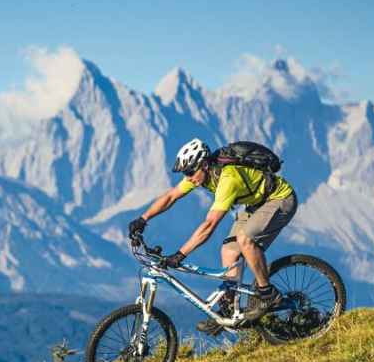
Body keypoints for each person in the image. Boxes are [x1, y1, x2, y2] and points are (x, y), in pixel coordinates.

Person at [127, 138, 298, 329]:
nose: (188, 177)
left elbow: (210, 224)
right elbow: (170, 196)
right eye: (185, 173)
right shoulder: (200, 175)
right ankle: (229, 309)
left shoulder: (228, 179)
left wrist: (180, 254)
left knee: (245, 240)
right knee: (229, 251)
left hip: (280, 199)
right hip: (256, 204)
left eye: (190, 172)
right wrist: (143, 219)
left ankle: (268, 294)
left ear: (204, 165)